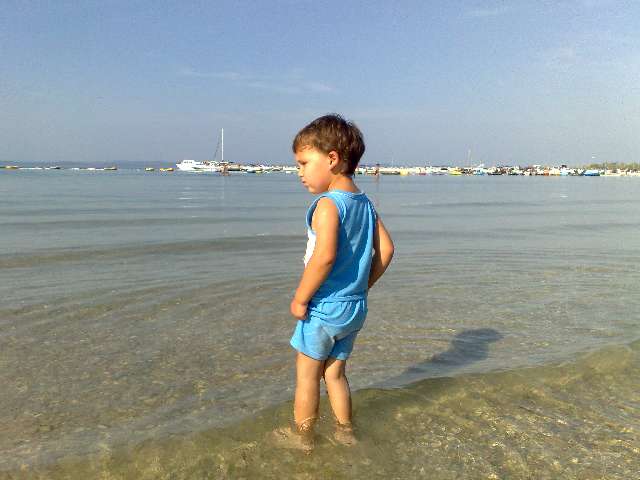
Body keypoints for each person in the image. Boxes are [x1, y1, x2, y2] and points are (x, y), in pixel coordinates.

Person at [272, 114, 394, 452]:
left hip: (324, 308)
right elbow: (386, 250)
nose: (299, 172)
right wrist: (363, 286)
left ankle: (303, 438)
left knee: (307, 376)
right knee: (335, 373)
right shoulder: (365, 204)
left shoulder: (328, 205)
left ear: (332, 159)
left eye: (303, 163)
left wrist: (301, 298)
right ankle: (345, 431)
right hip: (354, 308)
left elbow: (323, 257)